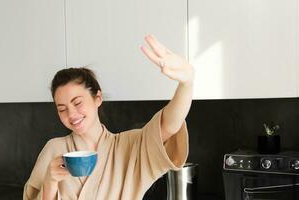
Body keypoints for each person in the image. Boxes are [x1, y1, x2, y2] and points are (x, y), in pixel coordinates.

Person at [23, 35, 194, 200]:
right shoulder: (54, 149)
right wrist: (50, 181)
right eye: (62, 109)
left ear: (98, 98)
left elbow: (168, 125)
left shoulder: (130, 147)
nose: (71, 114)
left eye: (77, 103)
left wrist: (186, 83)